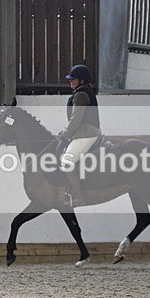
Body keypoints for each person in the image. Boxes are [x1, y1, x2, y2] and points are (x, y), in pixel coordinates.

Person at [58, 64, 101, 207]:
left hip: (86, 134)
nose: (70, 82)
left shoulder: (81, 95)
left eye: (73, 79)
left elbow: (76, 118)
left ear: (82, 81)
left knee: (66, 162)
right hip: (83, 133)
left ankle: (79, 196)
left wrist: (65, 133)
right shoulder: (81, 92)